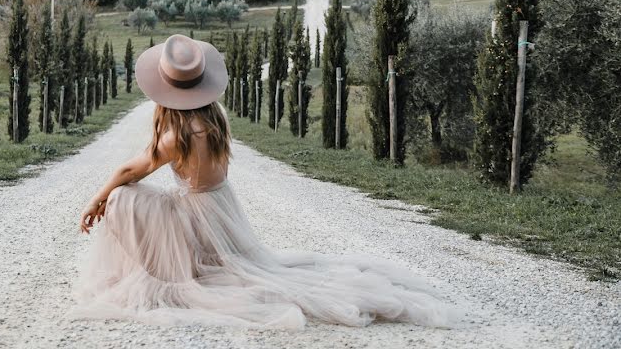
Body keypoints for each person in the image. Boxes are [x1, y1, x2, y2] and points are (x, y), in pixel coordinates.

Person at [73, 34, 457, 329]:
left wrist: (97, 198)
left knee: (123, 195)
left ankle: (161, 274)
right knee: (221, 257)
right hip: (219, 206)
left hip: (196, 210)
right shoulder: (214, 118)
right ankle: (180, 265)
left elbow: (129, 172)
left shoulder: (177, 136)